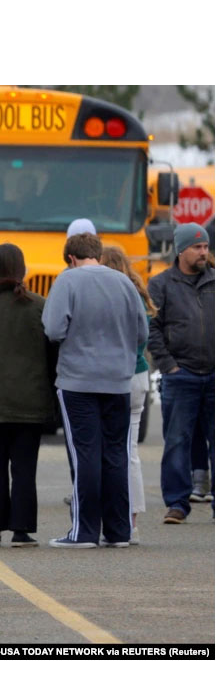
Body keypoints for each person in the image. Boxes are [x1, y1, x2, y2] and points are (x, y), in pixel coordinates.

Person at [42, 233, 147, 546]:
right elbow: (142, 331)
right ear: (97, 254)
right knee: (117, 453)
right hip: (118, 380)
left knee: (85, 453)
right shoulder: (124, 282)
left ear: (71, 258)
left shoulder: (68, 281)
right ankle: (119, 531)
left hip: (78, 381)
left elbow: (53, 329)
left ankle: (84, 530)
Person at [0, 244, 54, 547]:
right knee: (24, 469)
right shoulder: (39, 305)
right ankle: (22, 529)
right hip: (30, 402)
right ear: (23, 269)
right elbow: (52, 353)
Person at [147, 223, 213, 524]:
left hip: (213, 375)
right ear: (181, 250)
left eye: (206, 247)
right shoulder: (161, 284)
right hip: (181, 375)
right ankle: (176, 503)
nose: (204, 252)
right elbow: (152, 328)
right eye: (197, 247)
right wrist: (169, 366)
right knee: (176, 441)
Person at [99, 245, 155, 542]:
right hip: (139, 373)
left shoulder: (108, 296)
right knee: (130, 451)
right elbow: (143, 336)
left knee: (109, 451)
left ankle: (112, 517)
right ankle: (131, 520)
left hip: (114, 376)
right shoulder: (137, 293)